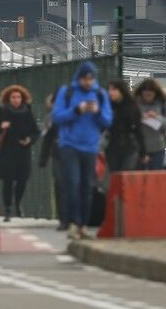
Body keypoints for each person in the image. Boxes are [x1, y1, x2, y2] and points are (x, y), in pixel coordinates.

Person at [52, 61, 113, 240]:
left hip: (91, 145)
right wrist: (76, 110)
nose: (87, 82)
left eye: (90, 78)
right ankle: (74, 222)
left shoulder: (100, 94)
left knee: (88, 186)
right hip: (69, 144)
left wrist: (97, 111)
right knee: (72, 183)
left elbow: (108, 121)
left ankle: (83, 225)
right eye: (84, 78)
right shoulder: (67, 92)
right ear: (79, 78)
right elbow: (57, 116)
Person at [0, 85, 40, 222]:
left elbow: (36, 131)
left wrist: (29, 140)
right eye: (13, 97)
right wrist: (0, 126)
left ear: (23, 98)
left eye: (18, 97)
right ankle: (8, 209)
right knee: (7, 181)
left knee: (22, 180)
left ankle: (18, 204)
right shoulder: (2, 111)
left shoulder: (28, 111)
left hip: (23, 151)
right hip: (6, 151)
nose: (16, 99)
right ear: (8, 99)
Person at [39, 96, 68, 231]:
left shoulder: (75, 114)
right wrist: (43, 158)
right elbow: (47, 136)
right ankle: (63, 218)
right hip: (57, 153)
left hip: (75, 153)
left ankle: (75, 217)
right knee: (60, 183)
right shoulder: (51, 118)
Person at [106, 80, 145, 172]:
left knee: (126, 174)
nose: (110, 92)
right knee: (114, 175)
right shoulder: (108, 106)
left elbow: (138, 130)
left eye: (114, 89)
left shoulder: (132, 106)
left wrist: (143, 151)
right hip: (112, 147)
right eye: (109, 89)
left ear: (121, 91)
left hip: (130, 147)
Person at [134, 78, 166, 171]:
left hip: (158, 147)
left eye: (150, 94)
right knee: (139, 176)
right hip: (139, 146)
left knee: (156, 175)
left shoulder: (162, 103)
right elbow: (127, 120)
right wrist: (139, 117)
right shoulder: (135, 102)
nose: (148, 97)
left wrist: (157, 117)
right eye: (145, 94)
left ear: (155, 93)